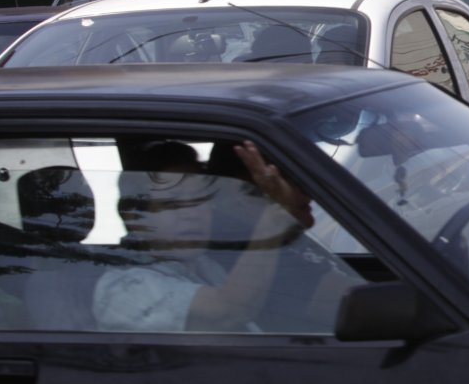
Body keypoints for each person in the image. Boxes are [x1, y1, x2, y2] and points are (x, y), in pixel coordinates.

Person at [93, 140, 318, 332]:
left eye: (200, 200)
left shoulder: (203, 265)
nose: (192, 215)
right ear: (136, 219)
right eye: (173, 204)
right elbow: (229, 311)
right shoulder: (123, 287)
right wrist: (274, 217)